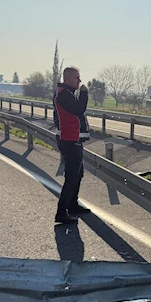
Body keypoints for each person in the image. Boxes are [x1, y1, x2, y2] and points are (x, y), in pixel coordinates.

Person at [53, 66, 91, 223]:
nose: (79, 81)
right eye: (77, 78)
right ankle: (61, 212)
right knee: (71, 177)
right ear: (67, 79)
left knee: (78, 174)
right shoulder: (63, 95)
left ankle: (73, 205)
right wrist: (84, 94)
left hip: (73, 140)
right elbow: (79, 109)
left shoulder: (66, 93)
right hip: (69, 141)